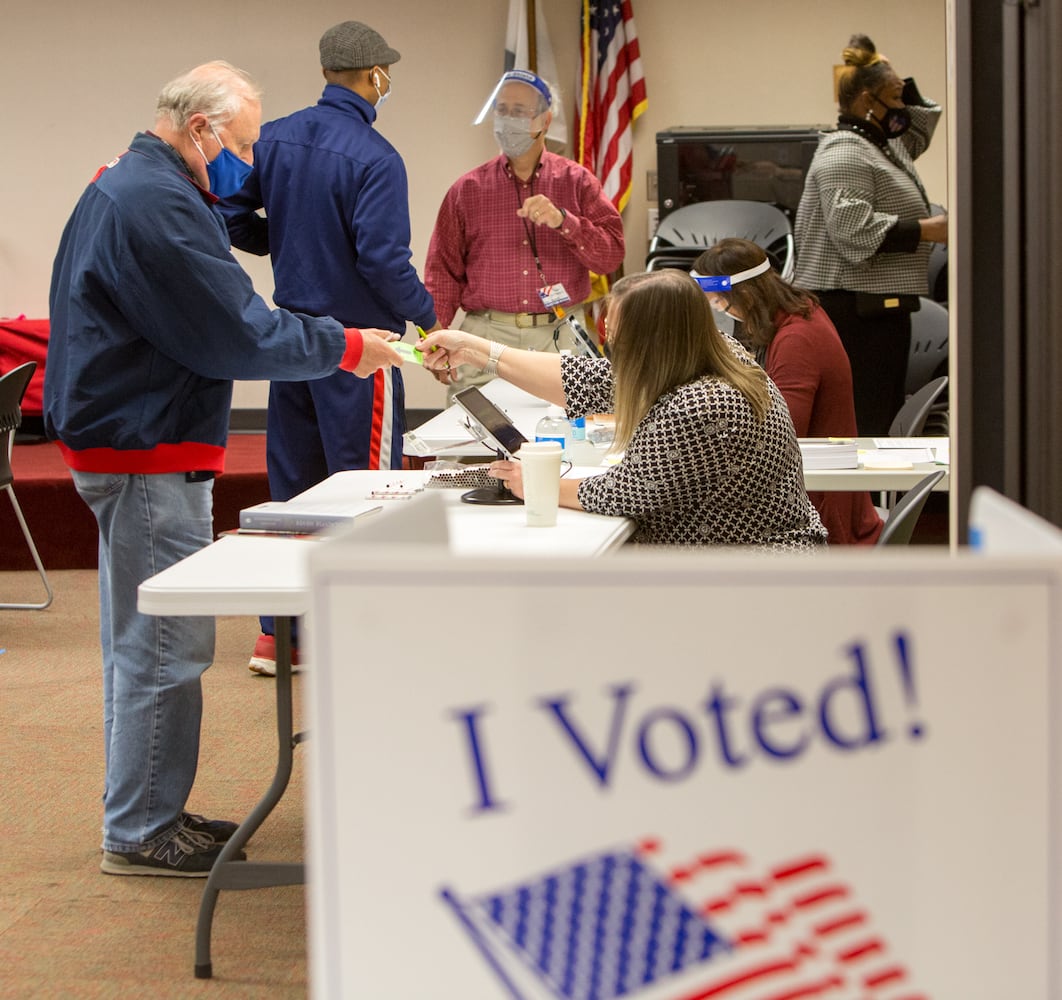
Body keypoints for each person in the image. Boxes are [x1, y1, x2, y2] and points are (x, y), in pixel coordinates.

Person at [44, 61, 403, 877]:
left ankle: (148, 809)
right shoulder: (156, 202)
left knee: (146, 642)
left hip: (135, 435)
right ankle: (140, 830)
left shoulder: (140, 183)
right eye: (240, 145)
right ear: (201, 128)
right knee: (165, 646)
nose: (247, 166)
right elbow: (237, 330)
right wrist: (349, 345)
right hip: (145, 446)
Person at [219, 21, 438, 676]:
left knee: (295, 488)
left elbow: (230, 215)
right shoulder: (376, 157)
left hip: (290, 342)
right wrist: (429, 319)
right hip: (358, 348)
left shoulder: (275, 137)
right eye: (385, 72)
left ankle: (278, 638)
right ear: (373, 76)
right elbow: (383, 261)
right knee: (369, 489)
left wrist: (280, 243)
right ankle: (366, 633)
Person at [419, 270, 827, 550]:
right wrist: (477, 349)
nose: (609, 341)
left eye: (615, 332)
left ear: (653, 339)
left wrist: (533, 484)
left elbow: (625, 494)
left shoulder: (700, 405)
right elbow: (587, 379)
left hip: (741, 574)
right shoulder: (719, 358)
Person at [424, 69, 625, 400]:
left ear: (545, 121)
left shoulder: (577, 182)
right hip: (487, 333)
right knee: (477, 440)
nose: (507, 121)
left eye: (519, 112)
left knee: (566, 441)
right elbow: (441, 273)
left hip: (558, 333)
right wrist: (436, 336)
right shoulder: (467, 190)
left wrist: (564, 222)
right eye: (501, 111)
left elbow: (611, 257)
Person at [793, 33, 947, 436]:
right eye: (894, 98)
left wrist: (900, 83)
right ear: (866, 102)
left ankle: (875, 499)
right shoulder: (846, 152)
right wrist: (929, 230)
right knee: (865, 421)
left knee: (880, 413)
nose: (902, 107)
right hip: (853, 310)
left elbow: (922, 126)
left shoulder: (883, 145)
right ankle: (867, 500)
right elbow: (852, 231)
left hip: (878, 306)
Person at [693, 239, 884, 545]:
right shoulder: (802, 313)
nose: (720, 311)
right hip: (814, 489)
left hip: (818, 510)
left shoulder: (797, 339)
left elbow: (781, 434)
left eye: (719, 303)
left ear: (745, 295)